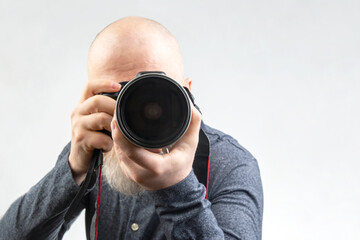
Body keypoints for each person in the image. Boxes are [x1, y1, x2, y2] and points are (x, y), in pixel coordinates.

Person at [0, 17, 263, 239]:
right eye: (120, 95)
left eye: (156, 91)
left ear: (187, 94)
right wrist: (73, 171)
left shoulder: (230, 163)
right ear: (92, 97)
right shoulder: (96, 146)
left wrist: (177, 186)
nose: (141, 110)